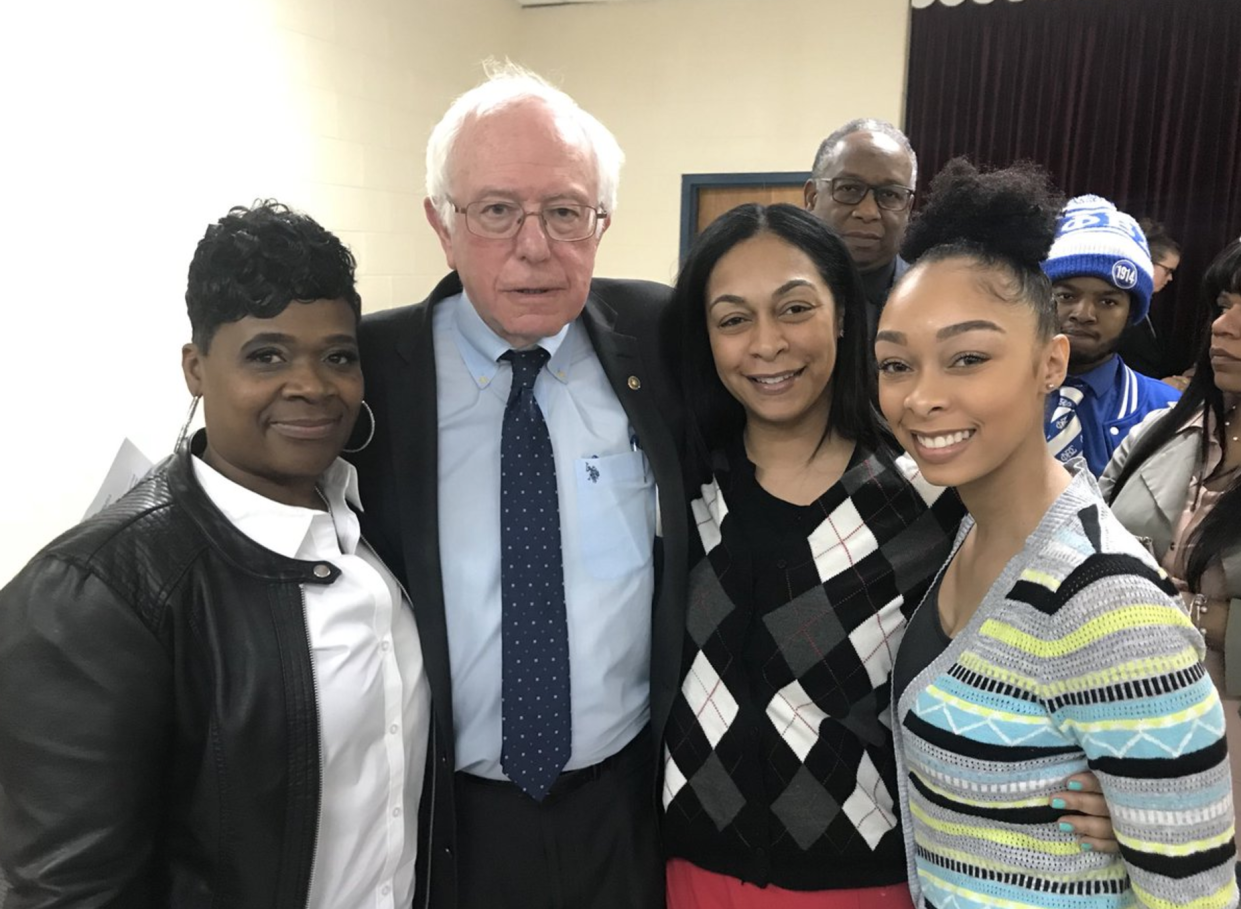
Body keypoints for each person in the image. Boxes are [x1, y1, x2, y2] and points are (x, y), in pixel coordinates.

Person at [660, 202, 1114, 909]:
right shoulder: (677, 487)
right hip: (690, 869)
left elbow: (1086, 643)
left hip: (869, 879)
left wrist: (1124, 788)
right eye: (731, 319)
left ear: (842, 313)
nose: (767, 343)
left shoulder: (932, 495)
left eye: (794, 308)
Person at [0, 201, 431, 908]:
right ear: (196, 368)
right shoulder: (95, 594)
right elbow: (68, 891)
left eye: (338, 356)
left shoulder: (370, 519)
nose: (313, 386)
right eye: (267, 354)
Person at [348, 64, 687, 909]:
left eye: (565, 212)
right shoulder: (367, 376)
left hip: (624, 805)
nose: (534, 246)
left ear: (601, 222)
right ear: (441, 224)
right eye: (496, 211)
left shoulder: (661, 339)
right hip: (445, 816)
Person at [876, 160, 1237, 909]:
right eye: (895, 363)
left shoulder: (1108, 606)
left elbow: (1195, 898)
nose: (921, 396)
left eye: (967, 357)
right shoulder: (962, 532)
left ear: (1049, 362)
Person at [1101, 237, 1241, 831]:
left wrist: (1168, 604)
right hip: (1111, 715)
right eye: (1223, 304)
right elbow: (1082, 551)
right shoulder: (1158, 430)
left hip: (1223, 745)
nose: (1224, 327)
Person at [1043, 195, 1181, 476]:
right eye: (1066, 295)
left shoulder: (1167, 414)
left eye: (1108, 302)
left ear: (1132, 313)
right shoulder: (991, 391)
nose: (1083, 313)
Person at [803, 119, 918, 342]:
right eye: (849, 188)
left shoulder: (931, 301)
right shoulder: (771, 293)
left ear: (908, 207)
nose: (868, 212)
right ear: (812, 197)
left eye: (890, 194)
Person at [1118, 218, 1182, 380]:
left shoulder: (1143, 308)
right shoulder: (1119, 310)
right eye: (1167, 270)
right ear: (1145, 262)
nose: (1170, 279)